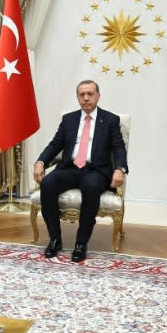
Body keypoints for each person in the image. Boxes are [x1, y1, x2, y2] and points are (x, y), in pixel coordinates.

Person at [33, 80, 128, 262]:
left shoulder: (110, 120)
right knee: (48, 184)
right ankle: (55, 239)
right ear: (78, 97)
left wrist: (120, 169)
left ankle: (81, 243)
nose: (86, 98)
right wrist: (40, 161)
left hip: (96, 170)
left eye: (90, 94)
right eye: (82, 94)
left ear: (98, 96)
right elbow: (55, 144)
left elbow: (118, 147)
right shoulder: (68, 119)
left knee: (90, 186)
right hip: (69, 168)